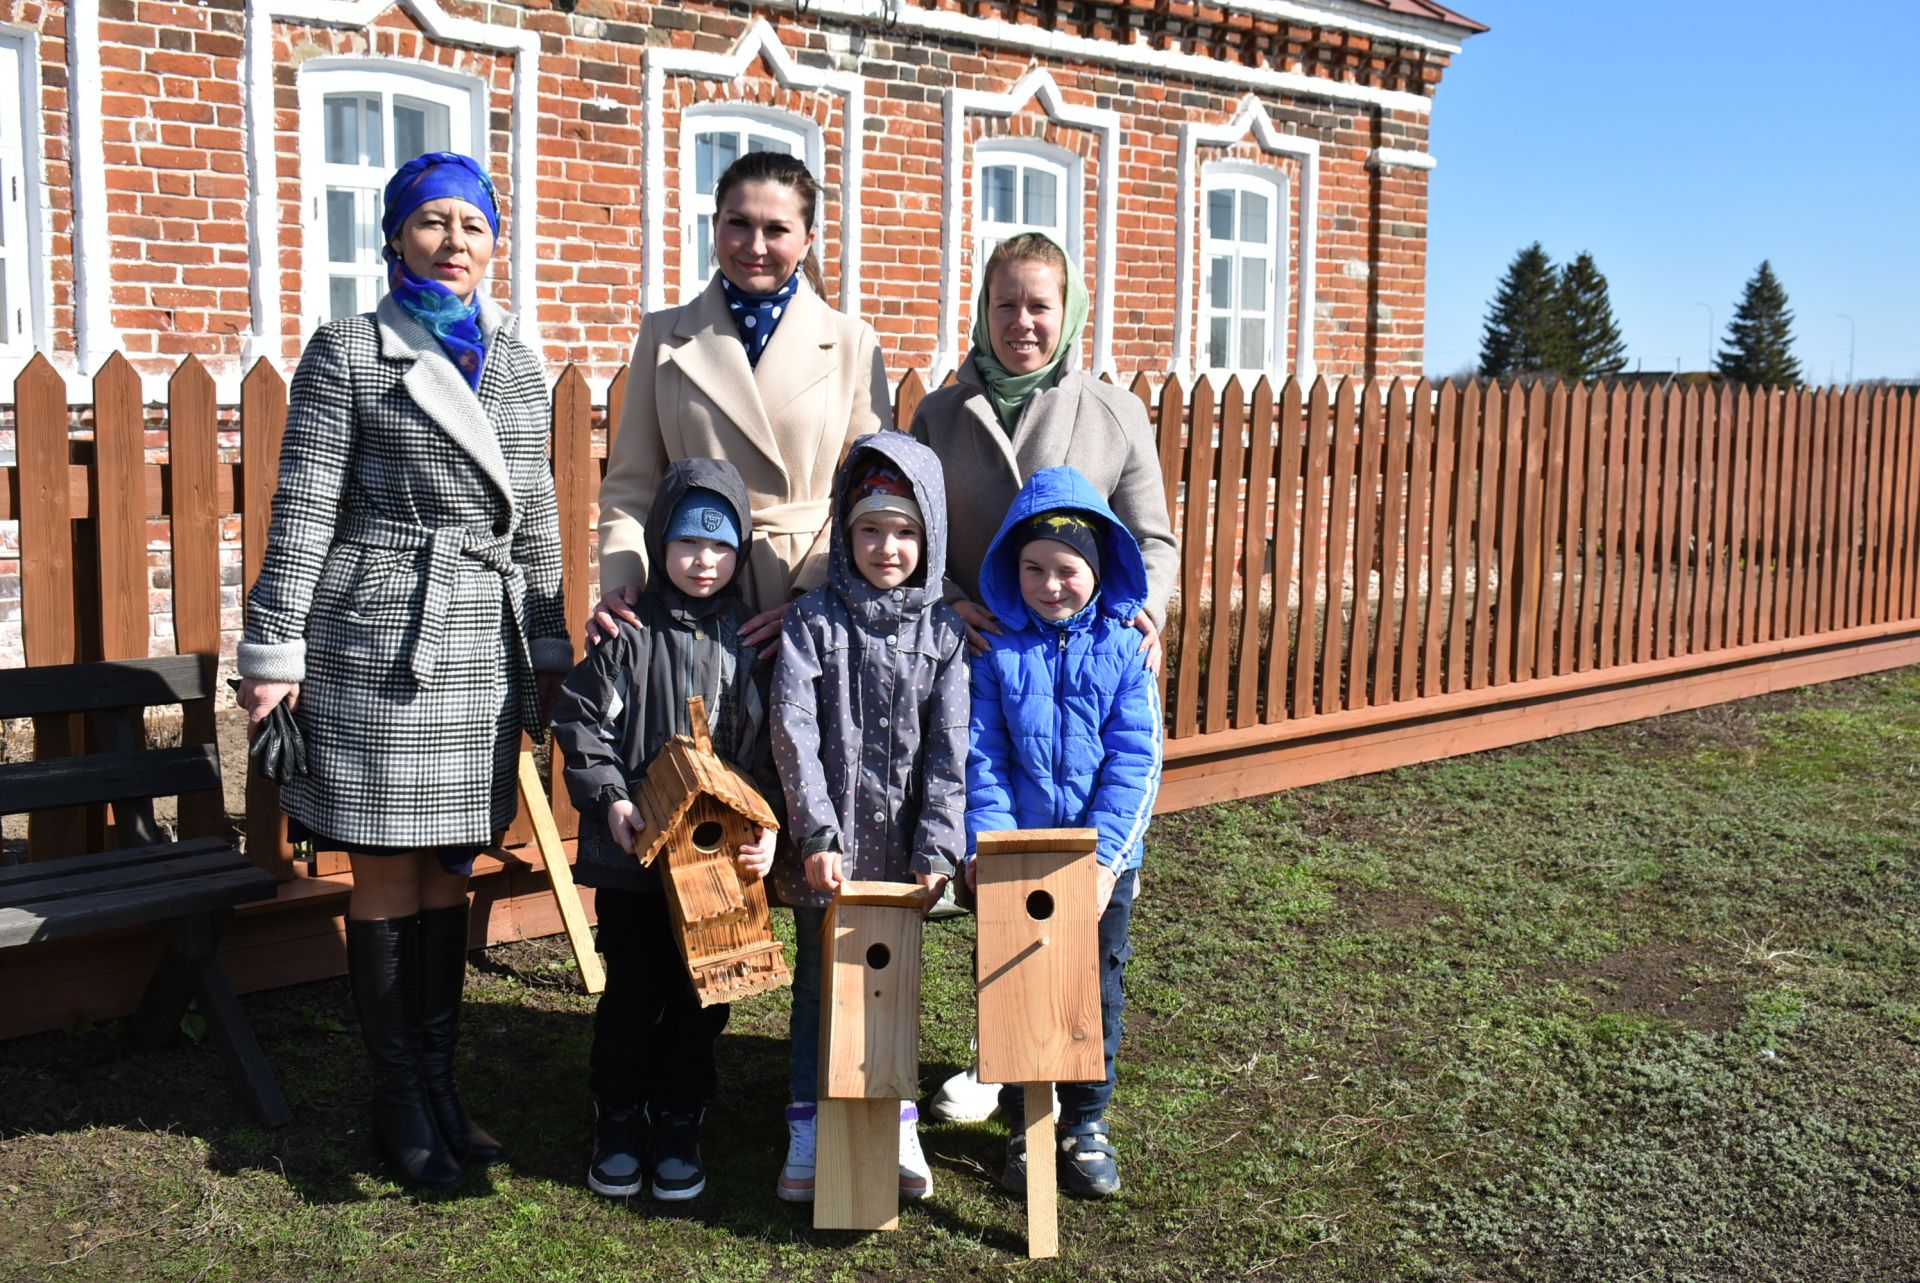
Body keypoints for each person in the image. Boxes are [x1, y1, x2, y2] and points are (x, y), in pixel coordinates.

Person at [235, 151, 571, 1190]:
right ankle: (397, 1100)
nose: (455, 240)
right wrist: (273, 650)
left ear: (495, 243)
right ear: (393, 236)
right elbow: (303, 508)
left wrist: (549, 641)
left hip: (480, 637)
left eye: (474, 224)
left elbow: (540, 512)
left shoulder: (515, 361)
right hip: (381, 630)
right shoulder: (347, 352)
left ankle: (440, 1085)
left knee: (446, 867)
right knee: (386, 865)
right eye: (432, 220)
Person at [908, 230, 1177, 1123]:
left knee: (1094, 932)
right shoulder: (941, 416)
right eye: (1005, 304)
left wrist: (1146, 608)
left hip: (1090, 667)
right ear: (983, 310)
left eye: (1039, 306)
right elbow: (913, 538)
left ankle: (1074, 1100)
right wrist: (951, 600)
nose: (1021, 323)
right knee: (1005, 899)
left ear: (1068, 315)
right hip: (983, 668)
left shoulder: (1112, 410)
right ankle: (1011, 1068)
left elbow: (1153, 537)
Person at [549, 460, 777, 1203]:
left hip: (714, 872)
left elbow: (773, 749)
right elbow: (580, 720)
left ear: (740, 553)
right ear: (658, 545)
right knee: (633, 990)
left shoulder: (748, 647)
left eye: (719, 548)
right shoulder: (627, 635)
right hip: (633, 865)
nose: (702, 562)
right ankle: (617, 1113)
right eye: (686, 545)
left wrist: (766, 826)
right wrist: (610, 800)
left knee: (703, 995)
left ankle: (679, 1114)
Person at [769, 432, 968, 1204]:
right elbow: (794, 731)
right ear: (847, 535)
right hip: (833, 855)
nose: (889, 547)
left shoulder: (944, 635)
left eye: (907, 531)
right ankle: (810, 1121)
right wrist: (815, 833)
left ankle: (895, 1117)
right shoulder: (813, 622)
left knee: (894, 988)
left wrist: (938, 846)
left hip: (901, 862)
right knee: (820, 988)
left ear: (930, 537)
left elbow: (952, 752)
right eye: (872, 530)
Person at [593, 150, 892, 652]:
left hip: (808, 604)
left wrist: (811, 601)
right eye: (739, 224)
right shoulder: (663, 336)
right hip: (688, 598)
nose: (755, 246)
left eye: (777, 229)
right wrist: (625, 587)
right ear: (715, 227)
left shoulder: (851, 342)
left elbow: (870, 494)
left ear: (807, 240)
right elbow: (629, 489)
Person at [961, 465, 1163, 1200]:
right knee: (1019, 984)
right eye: (1034, 569)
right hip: (1019, 860)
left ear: (1097, 568)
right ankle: (1024, 1122)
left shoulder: (1124, 648)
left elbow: (1136, 760)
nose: (1050, 586)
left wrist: (1107, 858)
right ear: (1012, 571)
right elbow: (981, 755)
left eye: (1067, 570)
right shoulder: (995, 651)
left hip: (1102, 863)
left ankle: (1085, 1121)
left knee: (1092, 987)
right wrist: (991, 843)